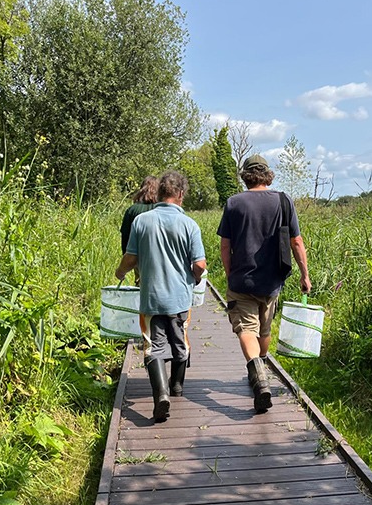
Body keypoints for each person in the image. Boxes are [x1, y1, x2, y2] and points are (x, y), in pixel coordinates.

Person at [217, 154, 311, 413]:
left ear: (246, 175)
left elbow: (225, 245)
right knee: (264, 331)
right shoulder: (284, 201)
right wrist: (304, 275)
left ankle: (258, 375)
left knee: (246, 329)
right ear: (267, 174)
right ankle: (262, 369)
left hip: (241, 280)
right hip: (272, 281)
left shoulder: (234, 203)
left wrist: (229, 273)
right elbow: (296, 242)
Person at [115, 171, 207, 422]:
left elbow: (131, 257)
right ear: (180, 194)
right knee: (180, 341)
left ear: (160, 193)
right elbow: (199, 264)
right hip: (179, 298)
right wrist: (195, 278)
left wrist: (120, 271)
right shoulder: (190, 224)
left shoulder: (141, 221)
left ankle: (161, 395)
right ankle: (176, 386)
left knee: (152, 346)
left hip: (151, 297)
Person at [120, 175, 159, 284]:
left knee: (141, 287)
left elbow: (125, 237)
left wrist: (126, 261)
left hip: (138, 258)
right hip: (160, 259)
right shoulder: (161, 209)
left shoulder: (132, 210)